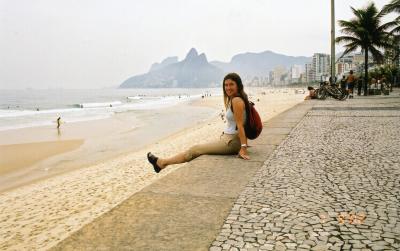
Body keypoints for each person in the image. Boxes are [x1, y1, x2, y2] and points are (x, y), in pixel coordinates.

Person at [147, 73, 250, 173]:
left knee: (195, 149)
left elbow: (240, 125)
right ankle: (162, 163)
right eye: (226, 85)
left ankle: (162, 163)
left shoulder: (236, 101)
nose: (228, 88)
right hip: (228, 139)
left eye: (231, 84)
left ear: (238, 85)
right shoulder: (235, 99)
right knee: (198, 148)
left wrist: (243, 148)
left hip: (231, 142)